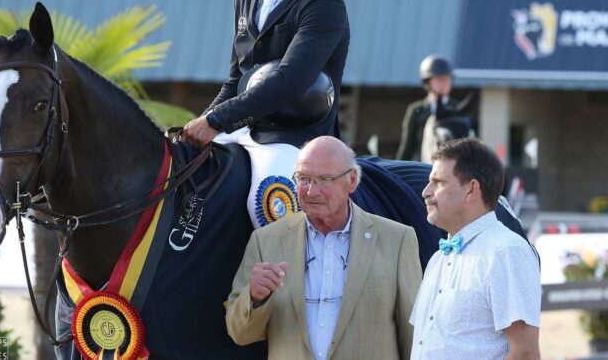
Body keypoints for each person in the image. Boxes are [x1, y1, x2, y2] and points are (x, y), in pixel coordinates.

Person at [181, 0, 350, 229]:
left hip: (294, 136)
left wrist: (218, 120)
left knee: (268, 205)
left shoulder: (323, 2)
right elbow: (235, 81)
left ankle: (288, 278)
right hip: (240, 129)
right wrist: (202, 122)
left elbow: (290, 81)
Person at [226, 136, 421, 360]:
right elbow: (239, 333)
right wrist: (254, 297)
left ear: (353, 180)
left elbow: (415, 335)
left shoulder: (397, 239)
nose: (311, 191)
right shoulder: (265, 240)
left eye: (324, 179)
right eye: (304, 179)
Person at [410, 138, 541, 360]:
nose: (425, 191)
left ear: (471, 190)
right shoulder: (437, 259)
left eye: (438, 182)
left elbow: (525, 353)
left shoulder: (506, 251)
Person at [396, 55, 468, 162]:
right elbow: (407, 146)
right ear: (428, 82)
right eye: (439, 79)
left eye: (447, 79)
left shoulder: (458, 108)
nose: (444, 83)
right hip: (422, 166)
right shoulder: (416, 110)